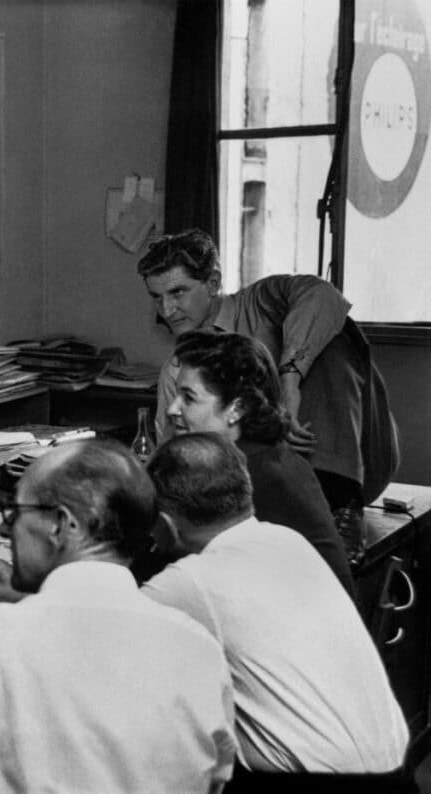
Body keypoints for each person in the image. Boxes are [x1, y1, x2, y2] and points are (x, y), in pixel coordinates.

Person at [0, 439, 238, 794]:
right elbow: (215, 776)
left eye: (15, 512)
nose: (3, 529)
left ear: (60, 526)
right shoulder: (200, 650)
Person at [143, 433, 409, 780]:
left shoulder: (189, 581)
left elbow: (100, 644)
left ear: (165, 524)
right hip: (397, 774)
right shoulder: (289, 541)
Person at [137, 229, 398, 526]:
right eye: (157, 298)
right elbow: (170, 453)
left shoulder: (262, 303)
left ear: (213, 283)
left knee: (333, 337)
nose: (167, 310)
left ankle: (343, 506)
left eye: (178, 293)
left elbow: (324, 296)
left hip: (360, 459)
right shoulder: (176, 369)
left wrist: (290, 381)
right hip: (259, 487)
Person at [167, 330, 355, 592]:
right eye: (176, 395)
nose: (172, 409)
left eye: (188, 398)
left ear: (236, 409)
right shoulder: (269, 457)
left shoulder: (250, 474)